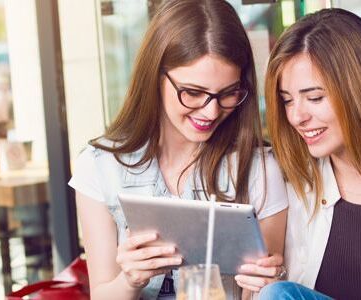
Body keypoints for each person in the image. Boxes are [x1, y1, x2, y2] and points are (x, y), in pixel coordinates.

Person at [69, 0, 288, 299]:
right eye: (194, 93)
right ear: (155, 76)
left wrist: (264, 285)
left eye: (228, 94)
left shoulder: (260, 169)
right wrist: (130, 280)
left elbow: (260, 291)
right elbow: (103, 293)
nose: (211, 112)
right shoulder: (100, 166)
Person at [255, 8, 361, 300]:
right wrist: (257, 282)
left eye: (314, 98)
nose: (296, 117)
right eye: (287, 101)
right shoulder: (292, 184)